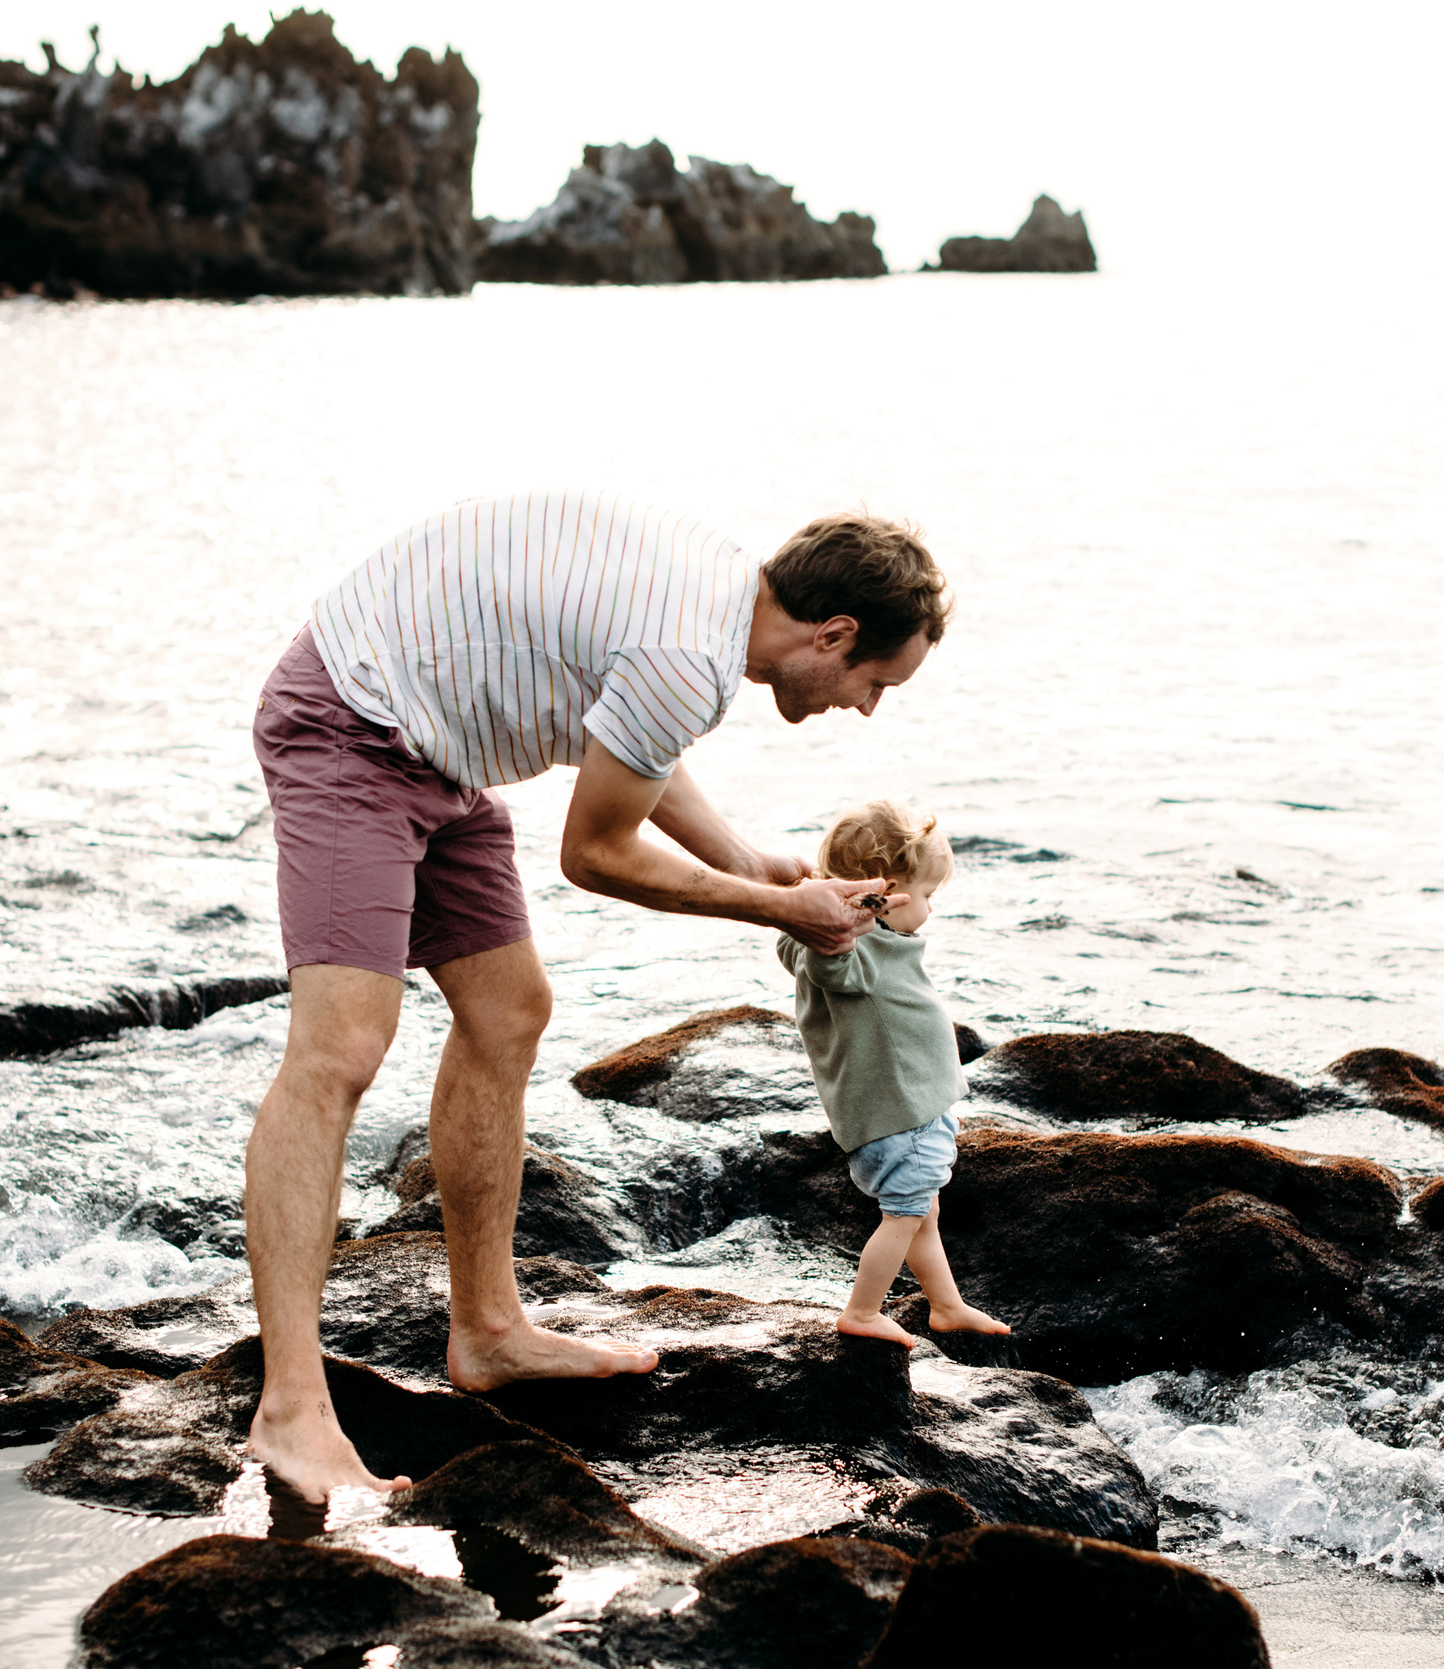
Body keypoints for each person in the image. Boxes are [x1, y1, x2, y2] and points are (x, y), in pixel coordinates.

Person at [245, 489, 951, 1498]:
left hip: (438, 751)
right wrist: (775, 909)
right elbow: (595, 853)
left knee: (509, 1009)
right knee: (340, 1050)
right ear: (833, 634)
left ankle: (488, 1333)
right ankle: (291, 1413)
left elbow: (634, 747)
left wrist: (759, 864)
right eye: (875, 679)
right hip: (350, 727)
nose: (867, 706)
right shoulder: (690, 656)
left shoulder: (712, 600)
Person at [774, 801, 1009, 1348]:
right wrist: (849, 923)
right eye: (925, 895)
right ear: (885, 893)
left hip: (902, 1112)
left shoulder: (828, 940)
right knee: (903, 1216)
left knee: (922, 1210)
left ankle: (946, 1305)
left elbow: (796, 943)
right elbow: (827, 959)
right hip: (903, 1116)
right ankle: (862, 1310)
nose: (928, 909)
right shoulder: (846, 946)